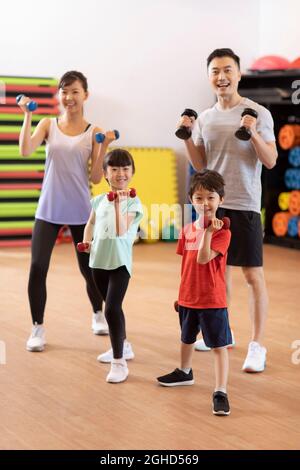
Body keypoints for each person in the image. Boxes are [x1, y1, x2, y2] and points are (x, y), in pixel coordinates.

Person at [178, 48, 277, 372]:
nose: (221, 77)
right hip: (212, 206)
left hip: (245, 203)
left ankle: (257, 345)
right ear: (210, 77)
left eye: (227, 70)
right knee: (218, 273)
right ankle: (224, 332)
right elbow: (201, 164)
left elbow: (271, 160)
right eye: (215, 71)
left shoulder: (257, 112)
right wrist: (186, 137)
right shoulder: (205, 118)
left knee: (252, 275)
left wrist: (252, 133)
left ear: (238, 73)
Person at [18, 70, 116, 351]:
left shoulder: (94, 131)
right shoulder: (47, 124)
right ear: (59, 95)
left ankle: (98, 314)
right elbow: (25, 150)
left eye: (74, 91)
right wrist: (27, 115)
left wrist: (105, 146)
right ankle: (37, 327)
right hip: (48, 208)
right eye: (64, 91)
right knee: (37, 267)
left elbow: (97, 178)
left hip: (80, 210)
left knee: (89, 269)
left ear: (85, 95)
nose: (69, 97)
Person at [157, 170, 232, 415]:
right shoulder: (187, 229)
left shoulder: (222, 232)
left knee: (218, 346)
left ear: (221, 199)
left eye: (211, 197)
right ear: (191, 200)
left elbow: (202, 259)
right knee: (186, 337)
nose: (205, 203)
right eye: (199, 198)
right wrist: (182, 295)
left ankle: (220, 391)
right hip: (189, 297)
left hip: (212, 299)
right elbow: (186, 266)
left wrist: (208, 233)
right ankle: (184, 371)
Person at [81, 149, 143, 383]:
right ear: (106, 174)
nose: (121, 173)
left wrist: (120, 203)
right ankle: (124, 345)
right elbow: (90, 223)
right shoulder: (98, 200)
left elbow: (119, 229)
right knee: (112, 307)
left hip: (119, 264)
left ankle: (119, 362)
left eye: (125, 169)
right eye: (115, 169)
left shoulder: (134, 202)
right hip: (97, 261)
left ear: (132, 172)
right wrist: (86, 242)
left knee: (110, 309)